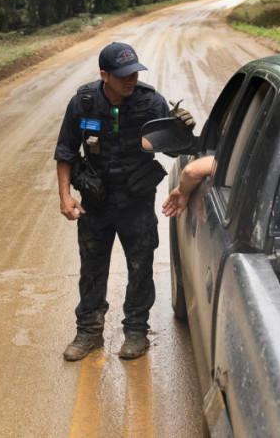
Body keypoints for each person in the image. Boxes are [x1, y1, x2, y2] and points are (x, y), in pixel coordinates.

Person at [54, 42, 194, 361]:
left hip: (136, 200)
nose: (130, 79)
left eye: (134, 72)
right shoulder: (84, 103)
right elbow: (65, 151)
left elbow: (172, 150)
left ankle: (135, 332)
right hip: (96, 201)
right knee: (91, 267)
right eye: (122, 75)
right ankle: (89, 332)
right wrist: (65, 196)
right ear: (105, 75)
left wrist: (182, 129)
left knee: (140, 265)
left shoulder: (151, 101)